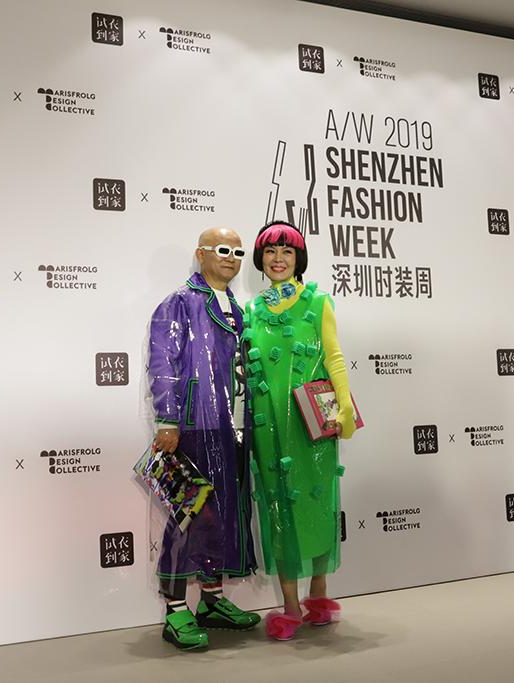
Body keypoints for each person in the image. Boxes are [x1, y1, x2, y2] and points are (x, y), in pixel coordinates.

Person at [242, 220, 357, 641]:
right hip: (267, 426)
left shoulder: (319, 301)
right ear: (261, 259)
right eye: (271, 251)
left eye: (287, 251)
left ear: (298, 259)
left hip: (311, 424)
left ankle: (319, 593)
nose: (278, 259)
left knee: (318, 502)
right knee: (278, 509)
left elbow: (334, 356)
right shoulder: (250, 311)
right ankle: (290, 605)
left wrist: (344, 405)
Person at [146, 227, 259, 651]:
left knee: (225, 513)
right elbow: (163, 361)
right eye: (222, 250)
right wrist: (167, 420)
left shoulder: (238, 309)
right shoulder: (180, 302)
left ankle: (212, 600)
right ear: (201, 253)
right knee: (190, 514)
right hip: (196, 424)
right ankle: (176, 609)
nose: (231, 258)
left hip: (235, 426)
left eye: (238, 252)